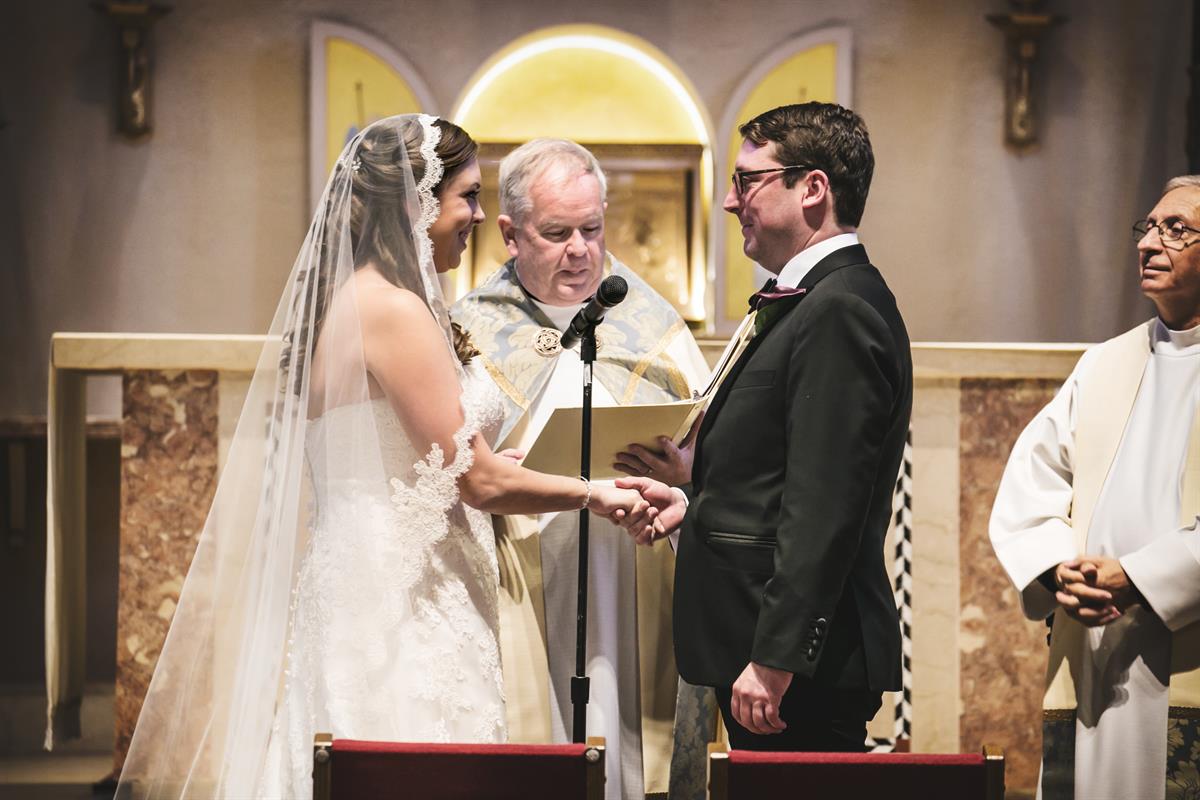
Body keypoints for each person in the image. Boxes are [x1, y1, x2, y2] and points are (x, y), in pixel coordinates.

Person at [115, 115, 652, 799]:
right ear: (413, 204)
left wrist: (493, 463)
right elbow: (477, 482)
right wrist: (592, 491)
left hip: (359, 583)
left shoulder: (347, 301)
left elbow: (413, 459)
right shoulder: (394, 310)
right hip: (407, 602)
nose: (477, 215)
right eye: (467, 196)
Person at [619, 102, 911, 752]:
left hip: (798, 667)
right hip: (763, 649)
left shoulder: (839, 310)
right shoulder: (810, 301)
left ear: (813, 188)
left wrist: (778, 657)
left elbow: (825, 505)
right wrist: (695, 505)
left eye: (748, 180)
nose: (730, 201)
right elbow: (776, 477)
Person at [450, 138, 712, 800]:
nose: (580, 251)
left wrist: (683, 468)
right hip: (520, 564)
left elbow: (709, 447)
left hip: (633, 561)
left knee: (625, 726)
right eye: (557, 233)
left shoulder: (651, 326)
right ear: (510, 233)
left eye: (591, 230)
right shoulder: (470, 329)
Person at [989, 176, 1200, 800]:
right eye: (1148, 227)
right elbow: (1032, 483)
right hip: (1096, 652)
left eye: (1176, 230)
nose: (1149, 243)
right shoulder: (1104, 363)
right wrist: (1060, 572)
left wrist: (1137, 577)